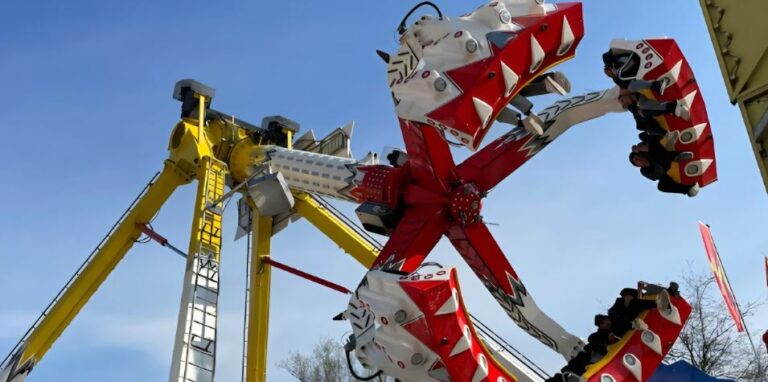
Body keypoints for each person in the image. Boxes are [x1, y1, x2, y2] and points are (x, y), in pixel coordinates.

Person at [629, 152, 700, 197]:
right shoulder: (644, 171)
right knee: (660, 186)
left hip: (666, 162)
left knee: (661, 154)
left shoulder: (648, 154)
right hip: (665, 175)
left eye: (638, 157)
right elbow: (655, 178)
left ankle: (680, 156)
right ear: (637, 165)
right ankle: (688, 189)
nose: (639, 159)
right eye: (636, 160)